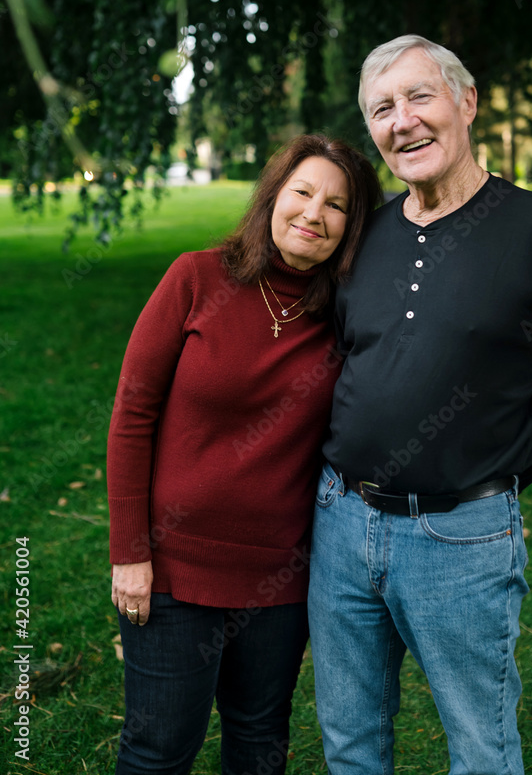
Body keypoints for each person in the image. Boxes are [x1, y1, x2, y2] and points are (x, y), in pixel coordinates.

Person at [307, 35, 532, 775]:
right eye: (381, 109)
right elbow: (347, 354)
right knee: (349, 742)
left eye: (418, 96)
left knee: (480, 749)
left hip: (461, 542)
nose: (401, 121)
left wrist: (487, 477)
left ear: (465, 102)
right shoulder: (365, 232)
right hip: (341, 526)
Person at [106, 133, 382, 775]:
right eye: (303, 192)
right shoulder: (196, 277)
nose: (315, 214)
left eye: (337, 205)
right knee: (158, 750)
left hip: (281, 577)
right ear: (273, 197)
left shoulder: (345, 313)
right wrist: (130, 553)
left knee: (259, 745)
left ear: (352, 225)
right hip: (174, 568)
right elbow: (131, 416)